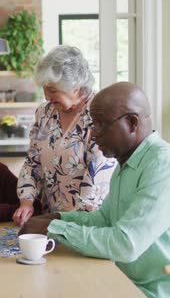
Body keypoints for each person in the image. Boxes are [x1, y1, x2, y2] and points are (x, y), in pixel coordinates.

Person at [19, 82, 170, 298]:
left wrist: (55, 228)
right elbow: (105, 219)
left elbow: (125, 245)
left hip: (163, 293)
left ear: (132, 123)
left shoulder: (165, 166)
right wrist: (58, 218)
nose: (92, 134)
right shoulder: (127, 163)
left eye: (100, 125)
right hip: (127, 283)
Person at [12, 45, 117, 226]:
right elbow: (32, 161)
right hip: (51, 219)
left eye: (52, 90)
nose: (47, 97)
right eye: (44, 89)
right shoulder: (44, 113)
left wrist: (70, 223)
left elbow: (96, 175)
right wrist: (26, 201)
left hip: (88, 222)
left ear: (75, 87)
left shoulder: (99, 113)